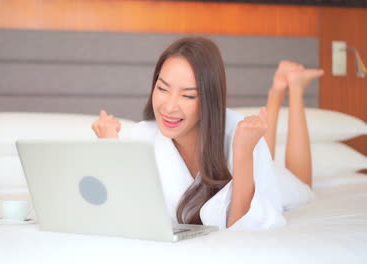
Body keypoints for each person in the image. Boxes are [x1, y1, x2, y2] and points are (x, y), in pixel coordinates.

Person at [91, 37, 324, 231]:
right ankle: (277, 89)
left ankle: (293, 89)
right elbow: (126, 211)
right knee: (266, 154)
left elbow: (242, 227)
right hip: (250, 151)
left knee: (303, 187)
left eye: (188, 96)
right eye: (162, 88)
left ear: (209, 99)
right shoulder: (143, 136)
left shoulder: (236, 130)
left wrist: (243, 153)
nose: (169, 107)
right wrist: (111, 148)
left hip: (252, 172)